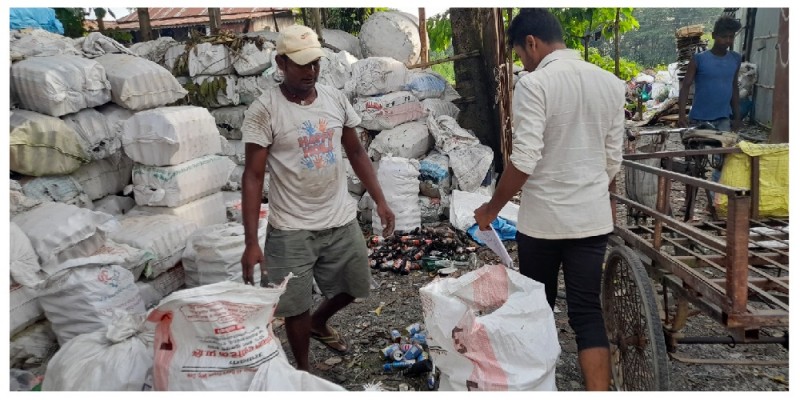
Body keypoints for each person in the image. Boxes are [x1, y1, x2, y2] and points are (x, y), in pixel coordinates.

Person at [473, 9, 624, 391]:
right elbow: (612, 160)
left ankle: (537, 387)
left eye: (521, 56)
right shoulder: (610, 82)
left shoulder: (535, 84)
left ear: (532, 42)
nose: (523, 63)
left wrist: (491, 209)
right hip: (590, 222)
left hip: (542, 224)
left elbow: (524, 160)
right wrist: (586, 191)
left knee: (537, 309)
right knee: (588, 313)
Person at [239, 25, 396, 372]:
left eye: (315, 63)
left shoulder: (333, 99)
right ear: (281, 63)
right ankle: (304, 373)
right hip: (291, 227)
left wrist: (381, 201)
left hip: (339, 218)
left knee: (356, 284)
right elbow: (252, 176)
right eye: (301, 64)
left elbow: (356, 152)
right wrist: (252, 242)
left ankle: (319, 322)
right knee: (294, 306)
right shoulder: (265, 110)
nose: (311, 72)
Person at [678, 16, 743, 132]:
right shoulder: (698, 59)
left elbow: (734, 87)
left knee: (723, 149)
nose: (728, 40)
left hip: (724, 119)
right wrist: (681, 115)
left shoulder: (735, 59)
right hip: (699, 119)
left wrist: (738, 117)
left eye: (731, 37)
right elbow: (685, 87)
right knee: (698, 149)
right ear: (714, 35)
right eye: (723, 36)